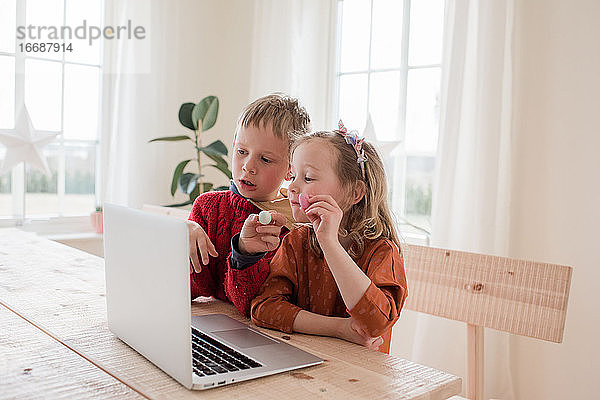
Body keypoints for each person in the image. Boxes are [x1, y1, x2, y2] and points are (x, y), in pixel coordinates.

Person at [250, 124, 408, 353]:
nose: (292, 186)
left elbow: (375, 324)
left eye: (308, 177)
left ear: (355, 193)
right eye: (293, 175)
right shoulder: (296, 242)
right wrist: (338, 328)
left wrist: (330, 244)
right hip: (309, 366)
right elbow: (264, 308)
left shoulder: (383, 251)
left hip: (361, 376)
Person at [186, 93, 311, 316]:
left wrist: (244, 253)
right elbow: (193, 288)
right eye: (242, 152)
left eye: (265, 159)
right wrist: (177, 242)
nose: (248, 166)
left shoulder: (288, 227)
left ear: (291, 168)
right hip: (210, 321)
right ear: (233, 146)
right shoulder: (207, 207)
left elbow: (251, 304)